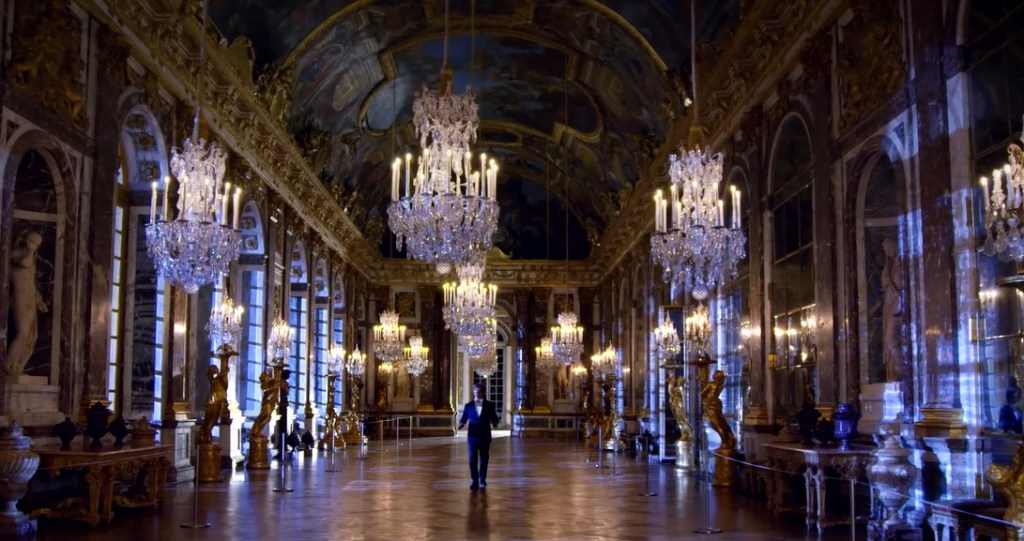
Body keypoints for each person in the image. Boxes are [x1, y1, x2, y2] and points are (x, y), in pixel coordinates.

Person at [7, 230, 47, 376]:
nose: (35, 246)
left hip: (30, 301)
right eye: (33, 242)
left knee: (31, 337)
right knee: (22, 334)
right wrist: (29, 251)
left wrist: (38, 299)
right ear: (26, 241)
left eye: (38, 244)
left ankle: (17, 367)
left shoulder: (32, 259)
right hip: (20, 299)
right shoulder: (16, 256)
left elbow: (31, 283)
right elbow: (23, 264)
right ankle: (7, 366)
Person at [457, 383, 500, 490]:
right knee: (472, 460)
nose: (476, 393)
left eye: (479, 391)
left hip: (485, 435)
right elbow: (464, 418)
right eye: (475, 391)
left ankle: (482, 480)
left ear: (483, 392)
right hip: (472, 436)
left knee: (484, 459)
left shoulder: (490, 405)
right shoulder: (468, 406)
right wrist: (461, 424)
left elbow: (494, 417)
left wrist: (495, 423)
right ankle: (474, 481)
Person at [881, 237, 903, 381]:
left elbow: (903, 290)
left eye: (889, 248)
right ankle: (897, 369)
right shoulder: (890, 266)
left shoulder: (903, 264)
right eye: (885, 250)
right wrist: (885, 281)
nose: (888, 252)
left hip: (898, 308)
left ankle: (901, 368)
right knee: (888, 340)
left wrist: (891, 283)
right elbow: (884, 288)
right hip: (890, 307)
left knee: (890, 339)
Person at [198, 364, 229, 444]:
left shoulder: (217, 380)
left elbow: (224, 384)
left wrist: (225, 372)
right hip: (213, 401)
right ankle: (206, 435)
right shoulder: (213, 379)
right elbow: (218, 377)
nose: (216, 371)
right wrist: (225, 372)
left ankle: (207, 435)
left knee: (212, 421)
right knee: (211, 420)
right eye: (215, 370)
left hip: (216, 401)